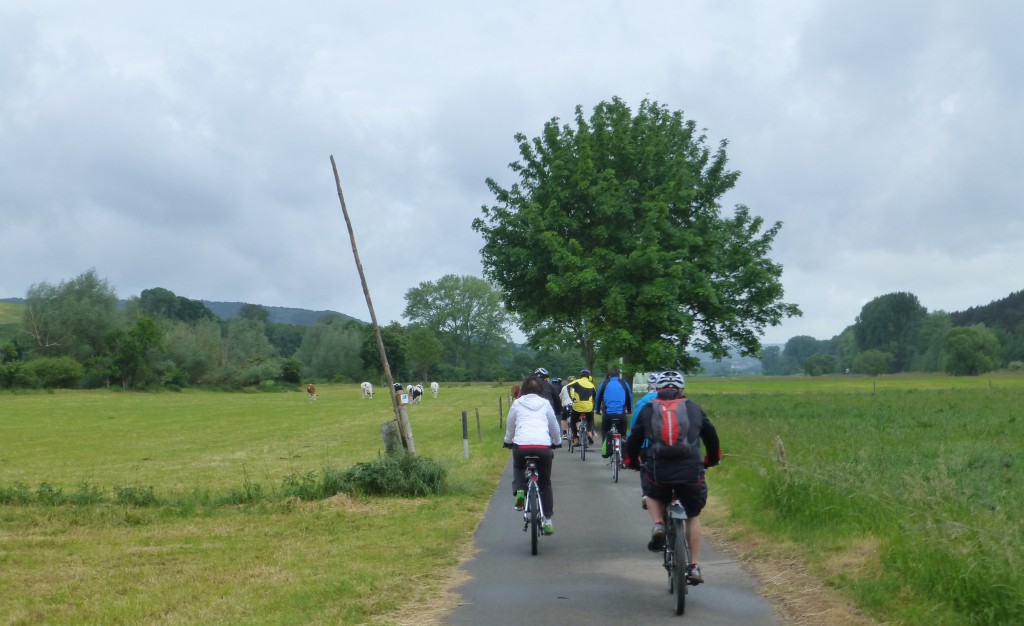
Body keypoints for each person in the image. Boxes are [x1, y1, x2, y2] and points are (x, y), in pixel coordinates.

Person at [624, 371, 721, 585]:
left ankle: (658, 524)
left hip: (659, 469)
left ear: (658, 390)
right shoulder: (693, 408)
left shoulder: (649, 409)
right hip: (690, 471)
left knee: (651, 491)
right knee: (693, 514)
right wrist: (712, 460)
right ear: (682, 389)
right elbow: (711, 436)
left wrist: (630, 461)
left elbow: (634, 439)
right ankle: (694, 566)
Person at [503, 375, 562, 535]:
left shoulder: (517, 403)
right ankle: (548, 521)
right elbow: (554, 427)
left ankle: (520, 490)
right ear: (540, 390)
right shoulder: (545, 404)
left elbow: (510, 426)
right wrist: (557, 442)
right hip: (543, 447)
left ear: (523, 389)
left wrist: (508, 441)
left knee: (518, 465)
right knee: (545, 482)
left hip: (522, 446)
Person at [595, 368, 632, 457]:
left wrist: (597, 410)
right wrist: (629, 409)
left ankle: (606, 450)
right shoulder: (624, 383)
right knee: (623, 434)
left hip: (608, 414)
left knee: (605, 430)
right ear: (619, 376)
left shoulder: (604, 384)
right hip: (621, 414)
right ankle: (624, 458)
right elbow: (629, 398)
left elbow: (598, 397)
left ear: (609, 376)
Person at [565, 369, 597, 444]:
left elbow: (568, 387)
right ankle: (589, 432)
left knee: (573, 421)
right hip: (588, 407)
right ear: (589, 376)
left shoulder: (577, 381)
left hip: (577, 406)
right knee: (590, 420)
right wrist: (594, 406)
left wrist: (572, 398)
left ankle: (575, 438)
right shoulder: (592, 385)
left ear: (581, 375)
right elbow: (595, 397)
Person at [558, 375, 576, 440]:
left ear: (568, 381)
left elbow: (560, 397)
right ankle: (577, 433)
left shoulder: (564, 387)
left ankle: (565, 433)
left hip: (567, 405)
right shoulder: (578, 387)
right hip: (576, 405)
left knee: (563, 419)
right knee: (577, 420)